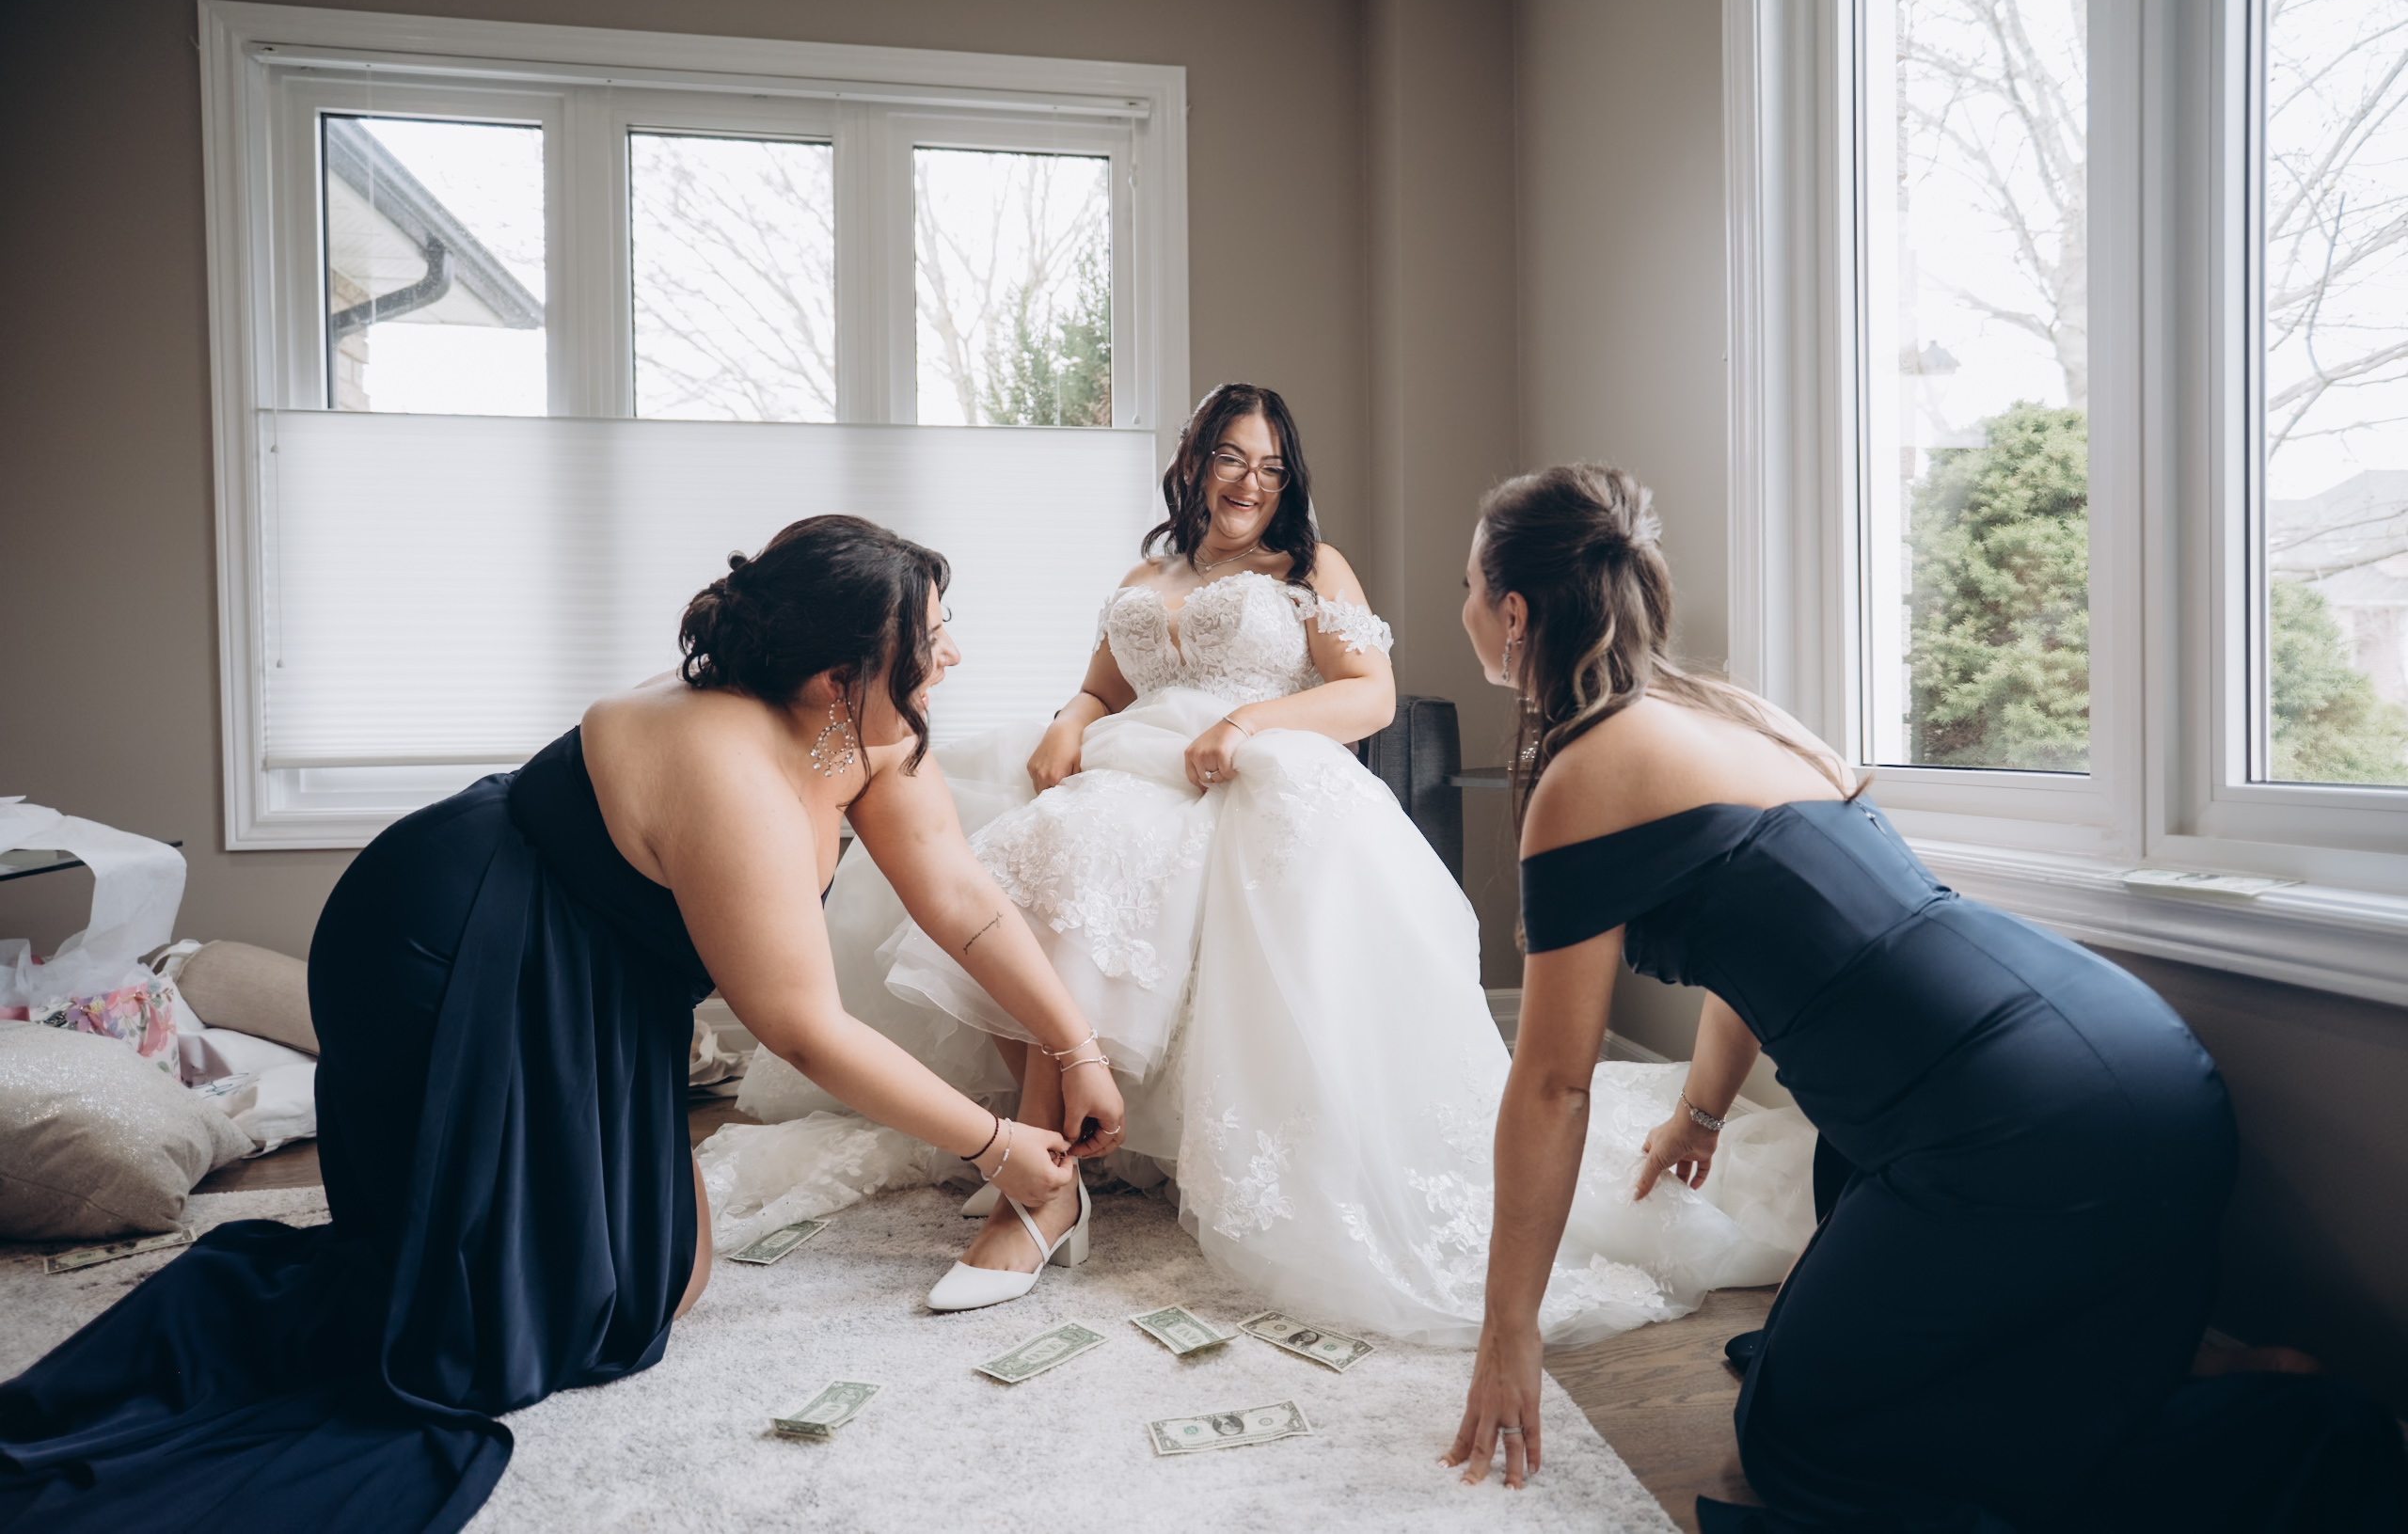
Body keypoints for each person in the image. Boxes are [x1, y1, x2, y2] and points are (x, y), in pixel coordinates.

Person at [0, 515, 1123, 1534]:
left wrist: (1075, 1046)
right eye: (933, 636)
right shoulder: (729, 767)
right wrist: (994, 1146)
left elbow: (960, 898)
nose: (953, 654)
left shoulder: (858, 730)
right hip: (449, 948)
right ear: (839, 676)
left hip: (591, 961)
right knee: (568, 1315)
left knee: (653, 1283)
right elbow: (803, 1030)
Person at [1443, 464, 2408, 1528]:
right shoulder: (1733, 713)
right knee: (1838, 1325)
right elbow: (1758, 950)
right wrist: (1699, 1114)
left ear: (1515, 612)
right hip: (2138, 1061)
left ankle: (2283, 1432)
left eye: (1468, 589)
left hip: (2028, 1128)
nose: (1464, 611)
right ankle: (2197, 1372)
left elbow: (1554, 1084)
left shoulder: (1587, 772)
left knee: (1800, 1440)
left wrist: (1509, 1331)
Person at [748, 386, 1817, 1338]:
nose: (1250, 481)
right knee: (1018, 849)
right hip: (1129, 759)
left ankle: (1044, 1183)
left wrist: (1251, 721)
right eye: (1230, 457)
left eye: (1270, 465)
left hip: (1239, 767)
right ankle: (1059, 1144)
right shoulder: (1145, 573)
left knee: (1085, 850)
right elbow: (1104, 687)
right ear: (1193, 462)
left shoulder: (1309, 569)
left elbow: (1369, 696)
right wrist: (1070, 719)